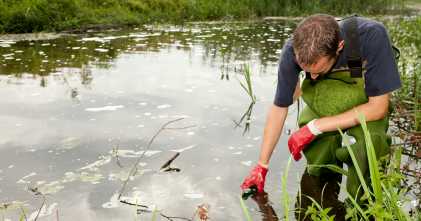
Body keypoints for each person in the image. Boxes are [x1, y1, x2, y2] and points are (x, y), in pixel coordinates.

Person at [240, 14, 401, 203]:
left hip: (367, 100)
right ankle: (323, 195)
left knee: (369, 146)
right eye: (307, 72)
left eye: (318, 72)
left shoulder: (372, 36)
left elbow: (378, 107)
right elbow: (279, 107)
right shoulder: (292, 50)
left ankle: (364, 204)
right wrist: (262, 165)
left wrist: (316, 127)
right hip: (325, 98)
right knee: (318, 152)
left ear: (339, 47)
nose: (312, 78)